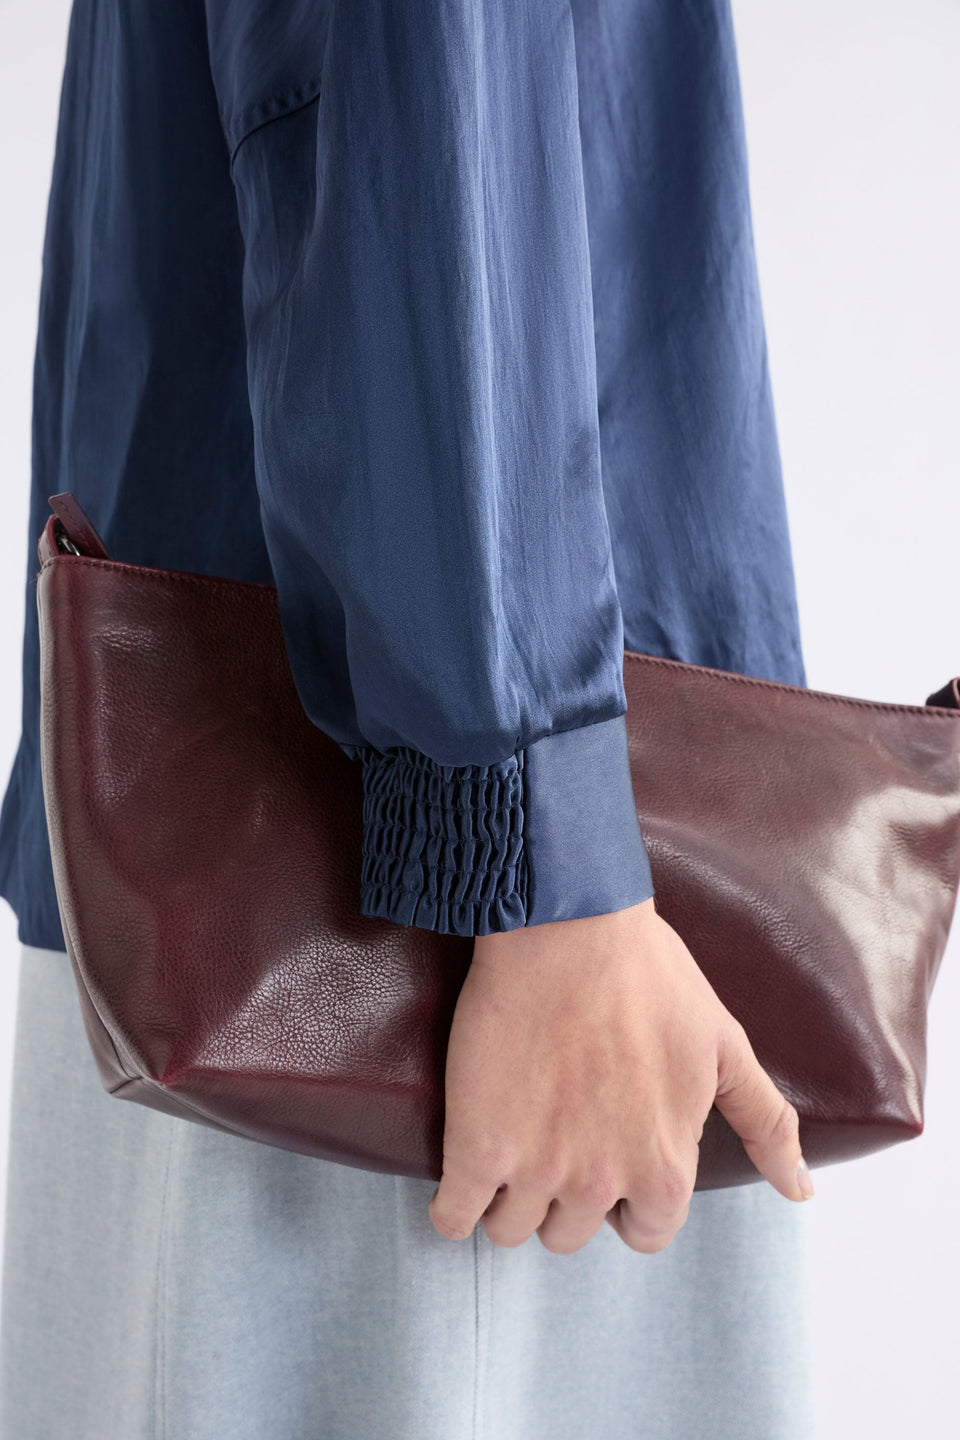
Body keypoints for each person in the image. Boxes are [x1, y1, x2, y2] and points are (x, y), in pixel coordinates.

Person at [0, 1, 816, 1436]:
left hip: (222, 868)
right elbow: (423, 105)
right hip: (485, 926)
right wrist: (547, 862)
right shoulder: (541, 883)